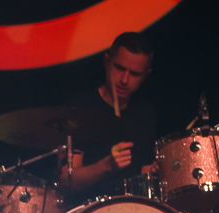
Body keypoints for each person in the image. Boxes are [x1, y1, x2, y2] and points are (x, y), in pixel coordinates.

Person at [64, 32, 157, 194]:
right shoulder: (79, 107)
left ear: (145, 75)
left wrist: (157, 172)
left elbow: (144, 173)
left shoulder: (145, 113)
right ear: (106, 61)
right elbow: (67, 179)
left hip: (131, 205)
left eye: (134, 74)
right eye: (119, 68)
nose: (124, 80)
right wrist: (106, 165)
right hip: (89, 207)